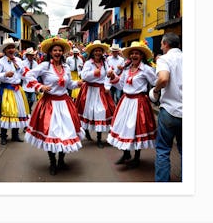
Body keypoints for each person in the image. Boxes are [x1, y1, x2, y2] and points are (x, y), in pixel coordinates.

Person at [24, 36, 85, 175]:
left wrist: (77, 83)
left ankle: (61, 160)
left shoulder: (66, 67)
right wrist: (40, 86)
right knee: (51, 133)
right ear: (50, 52)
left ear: (63, 52)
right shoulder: (45, 66)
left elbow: (69, 84)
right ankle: (52, 162)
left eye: (59, 50)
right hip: (49, 104)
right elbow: (29, 75)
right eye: (55, 50)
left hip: (65, 104)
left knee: (65, 134)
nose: (57, 52)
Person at [107, 40, 157, 168]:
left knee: (136, 129)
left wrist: (154, 94)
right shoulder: (127, 69)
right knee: (124, 128)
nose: (134, 55)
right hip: (125, 101)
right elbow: (121, 85)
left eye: (137, 53)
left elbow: (156, 82)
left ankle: (136, 157)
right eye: (132, 53)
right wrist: (112, 77)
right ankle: (126, 154)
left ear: (142, 56)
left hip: (139, 103)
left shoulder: (146, 69)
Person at [149, 32, 182, 182]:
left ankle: (163, 186)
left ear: (165, 44)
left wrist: (155, 91)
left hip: (169, 110)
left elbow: (163, 78)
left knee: (163, 150)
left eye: (161, 44)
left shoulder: (164, 59)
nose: (161, 47)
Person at [75, 40, 115, 148]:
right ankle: (87, 131)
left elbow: (107, 76)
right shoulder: (88, 63)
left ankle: (99, 138)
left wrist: (108, 86)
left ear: (102, 52)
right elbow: (83, 76)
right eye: (96, 51)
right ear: (92, 52)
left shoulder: (105, 63)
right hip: (89, 90)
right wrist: (93, 73)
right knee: (88, 112)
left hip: (101, 91)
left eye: (99, 51)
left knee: (101, 113)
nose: (98, 53)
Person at [0, 38, 30, 145]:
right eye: (9, 48)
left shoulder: (19, 61)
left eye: (12, 47)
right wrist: (5, 74)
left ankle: (15, 135)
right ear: (4, 50)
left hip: (18, 90)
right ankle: (3, 136)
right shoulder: (0, 62)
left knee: (18, 112)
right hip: (6, 90)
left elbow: (23, 75)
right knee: (6, 112)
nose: (11, 49)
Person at [22, 47, 38, 111]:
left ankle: (29, 109)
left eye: (32, 55)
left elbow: (37, 73)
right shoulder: (23, 63)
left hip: (33, 84)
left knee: (32, 100)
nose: (31, 57)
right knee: (25, 99)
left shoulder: (35, 63)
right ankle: (26, 110)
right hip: (25, 84)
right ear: (27, 56)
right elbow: (21, 74)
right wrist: (26, 78)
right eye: (30, 55)